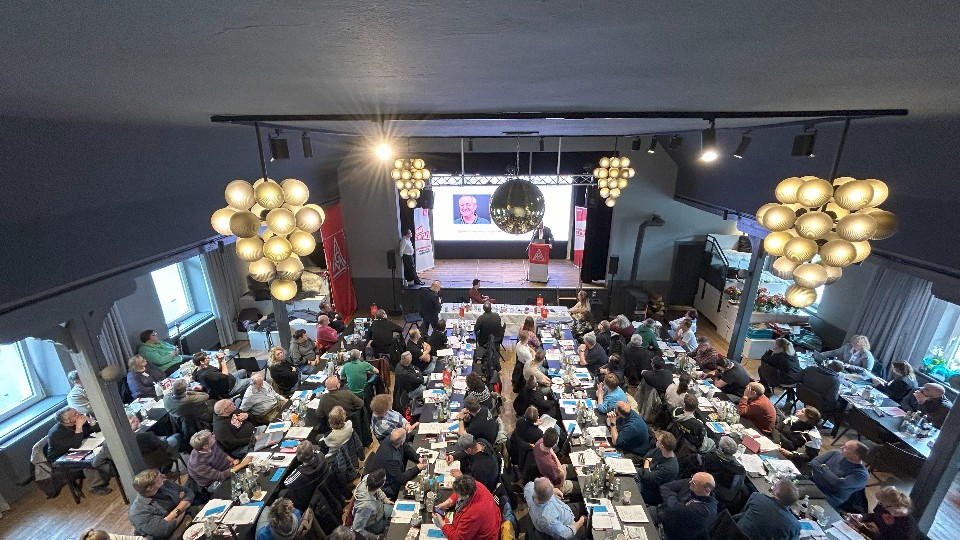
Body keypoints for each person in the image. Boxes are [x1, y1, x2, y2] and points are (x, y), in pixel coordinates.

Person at [46, 406, 114, 495]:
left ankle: (110, 471)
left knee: (103, 449)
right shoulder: (56, 432)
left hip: (80, 447)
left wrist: (90, 420)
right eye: (75, 415)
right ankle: (95, 486)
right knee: (88, 460)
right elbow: (76, 444)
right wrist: (79, 426)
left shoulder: (79, 421)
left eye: (77, 412)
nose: (79, 415)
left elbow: (97, 429)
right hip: (61, 458)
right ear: (67, 421)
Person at [129, 469, 195, 540]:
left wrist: (171, 516)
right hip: (171, 535)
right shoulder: (138, 512)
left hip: (187, 514)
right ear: (150, 488)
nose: (163, 476)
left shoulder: (165, 484)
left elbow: (189, 492)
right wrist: (183, 504)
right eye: (159, 477)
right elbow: (164, 530)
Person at [363, 427, 426, 500]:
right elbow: (400, 479)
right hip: (386, 486)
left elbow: (405, 447)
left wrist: (417, 457)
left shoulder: (391, 439)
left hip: (394, 472)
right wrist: (417, 468)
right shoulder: (391, 459)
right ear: (401, 441)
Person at [433, 475, 501, 540]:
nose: (457, 495)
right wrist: (448, 502)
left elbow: (458, 538)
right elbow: (461, 490)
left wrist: (442, 524)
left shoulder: (472, 514)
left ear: (466, 496)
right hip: (489, 522)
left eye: (458, 494)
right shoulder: (475, 485)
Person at [656, 472, 717, 540]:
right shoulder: (693, 484)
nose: (690, 482)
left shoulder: (705, 511)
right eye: (692, 478)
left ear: (707, 490)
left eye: (694, 483)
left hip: (668, 533)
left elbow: (674, 508)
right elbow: (665, 487)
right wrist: (673, 499)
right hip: (662, 514)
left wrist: (672, 497)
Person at [809, 440, 869, 509]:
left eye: (846, 448)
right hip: (813, 482)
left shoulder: (861, 475)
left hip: (828, 497)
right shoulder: (835, 452)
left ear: (856, 456)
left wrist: (824, 467)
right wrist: (832, 477)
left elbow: (838, 483)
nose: (841, 447)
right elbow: (814, 463)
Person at [734, 479, 801, 540]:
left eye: (775, 486)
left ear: (776, 493)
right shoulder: (795, 525)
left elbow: (742, 513)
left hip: (733, 535)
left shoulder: (757, 497)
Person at [846, 486, 919, 540]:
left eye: (882, 503)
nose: (880, 504)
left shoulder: (908, 528)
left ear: (896, 506)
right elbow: (875, 516)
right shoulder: (886, 507)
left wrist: (862, 528)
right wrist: (861, 516)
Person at [187, 429, 252, 489]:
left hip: (228, 469)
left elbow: (222, 453)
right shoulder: (197, 463)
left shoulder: (211, 444)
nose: (214, 436)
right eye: (211, 436)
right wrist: (241, 464)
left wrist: (233, 460)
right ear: (205, 446)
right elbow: (220, 476)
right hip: (214, 483)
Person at [696, 436, 746, 507]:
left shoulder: (707, 457)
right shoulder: (740, 470)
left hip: (705, 489)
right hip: (724, 498)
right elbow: (739, 487)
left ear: (721, 449)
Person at [282, 441, 329, 511]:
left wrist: (298, 468)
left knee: (282, 493)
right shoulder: (321, 455)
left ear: (299, 458)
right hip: (322, 486)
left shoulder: (301, 474)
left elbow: (286, 483)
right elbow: (317, 451)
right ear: (313, 451)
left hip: (308, 497)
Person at [637, 431, 679, 505]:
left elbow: (647, 477)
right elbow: (646, 457)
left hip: (650, 490)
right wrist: (647, 466)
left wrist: (647, 463)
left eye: (658, 440)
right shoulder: (660, 450)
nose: (656, 440)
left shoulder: (670, 468)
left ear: (662, 446)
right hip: (643, 475)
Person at [352, 469, 394, 539]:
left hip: (379, 510)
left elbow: (377, 490)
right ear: (382, 484)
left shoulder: (367, 479)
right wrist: (375, 537)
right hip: (373, 524)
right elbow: (357, 529)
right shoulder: (366, 506)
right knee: (395, 526)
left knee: (396, 511)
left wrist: (385, 499)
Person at [533, 428, 573, 495]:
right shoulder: (550, 464)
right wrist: (554, 455)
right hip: (554, 483)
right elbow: (562, 474)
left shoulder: (538, 442)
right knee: (576, 485)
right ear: (554, 444)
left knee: (574, 468)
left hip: (551, 473)